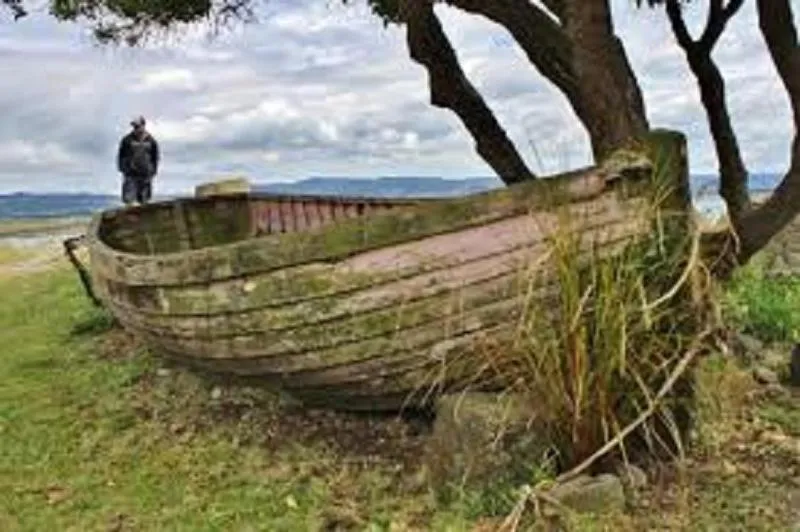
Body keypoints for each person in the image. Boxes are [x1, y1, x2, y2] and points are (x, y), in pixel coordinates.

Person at [117, 116, 159, 205]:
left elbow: (155, 157)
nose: (136, 129)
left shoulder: (151, 141)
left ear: (143, 126)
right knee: (130, 202)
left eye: (137, 126)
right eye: (134, 127)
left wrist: (153, 171)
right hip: (131, 175)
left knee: (145, 202)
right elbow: (121, 156)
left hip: (146, 175)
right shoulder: (127, 140)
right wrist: (124, 169)